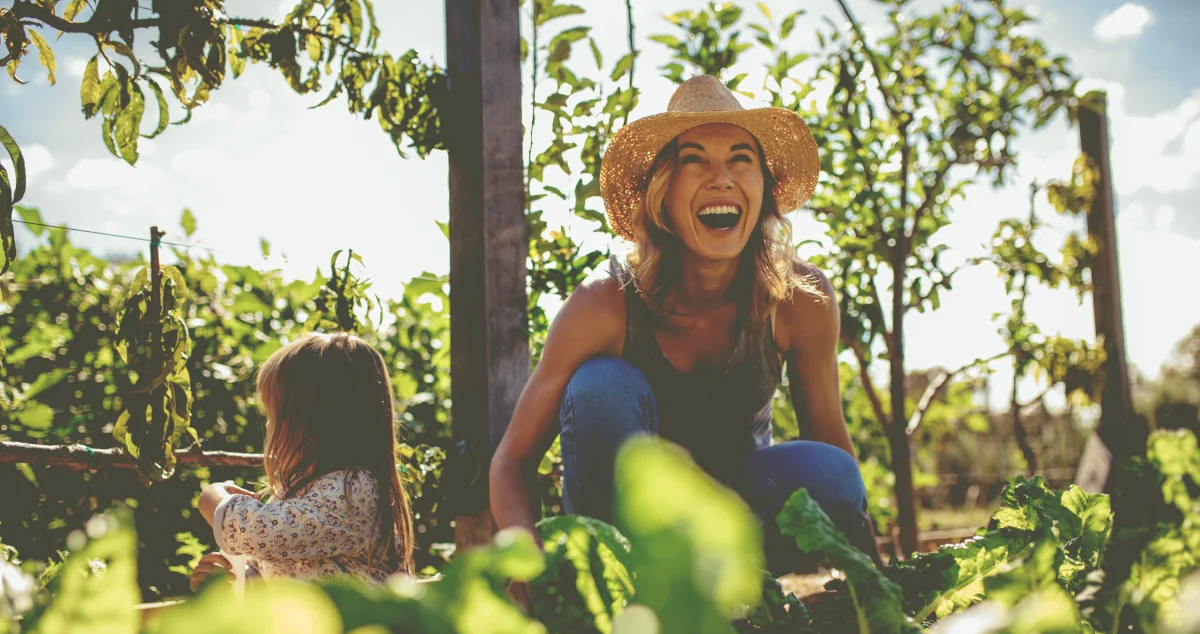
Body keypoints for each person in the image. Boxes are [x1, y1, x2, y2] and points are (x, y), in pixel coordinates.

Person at [489, 75, 882, 572]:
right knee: (602, 386)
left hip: (736, 520)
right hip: (622, 538)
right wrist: (523, 545)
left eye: (742, 159)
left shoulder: (799, 299)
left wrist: (884, 591)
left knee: (836, 475)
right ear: (662, 192)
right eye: (695, 160)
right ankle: (615, 595)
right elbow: (511, 460)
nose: (722, 178)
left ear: (763, 189)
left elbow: (830, 441)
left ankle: (733, 593)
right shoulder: (603, 304)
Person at [190, 332, 414, 591]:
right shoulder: (297, 492)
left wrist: (212, 497)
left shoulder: (352, 491)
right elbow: (277, 566)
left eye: (273, 414)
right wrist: (235, 578)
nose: (268, 425)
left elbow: (256, 532)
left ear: (311, 422)